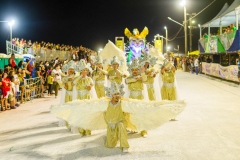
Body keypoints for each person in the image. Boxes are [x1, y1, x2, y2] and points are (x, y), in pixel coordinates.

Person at [50, 81, 186, 153]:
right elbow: (88, 105)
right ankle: (110, 138)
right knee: (109, 145)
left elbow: (142, 106)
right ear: (111, 95)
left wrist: (161, 107)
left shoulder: (124, 103)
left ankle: (125, 146)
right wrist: (65, 108)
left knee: (122, 128)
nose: (116, 96)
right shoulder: (105, 102)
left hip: (120, 122)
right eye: (114, 94)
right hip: (110, 124)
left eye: (117, 94)